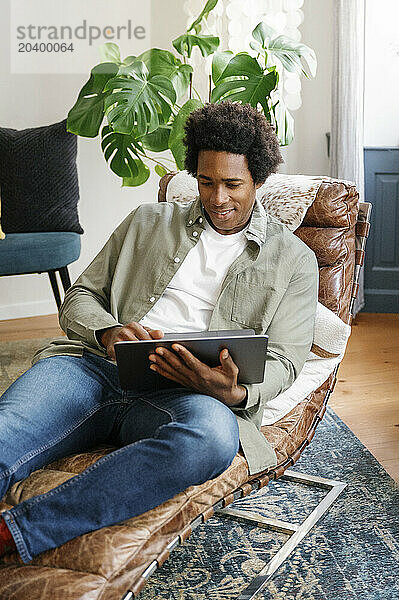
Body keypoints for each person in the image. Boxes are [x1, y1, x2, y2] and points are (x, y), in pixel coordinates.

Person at [0, 101, 318, 564]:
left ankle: (15, 534)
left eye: (233, 184)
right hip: (93, 368)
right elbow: (79, 297)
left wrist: (231, 393)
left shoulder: (292, 260)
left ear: (259, 181)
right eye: (206, 182)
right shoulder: (146, 221)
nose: (218, 198)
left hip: (192, 395)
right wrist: (108, 332)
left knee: (212, 439)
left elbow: (286, 361)